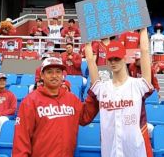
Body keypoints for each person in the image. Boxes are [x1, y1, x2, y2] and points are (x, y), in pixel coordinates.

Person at [85, 28, 154, 157]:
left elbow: (144, 51)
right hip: (110, 152)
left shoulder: (138, 85)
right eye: (110, 59)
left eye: (117, 58)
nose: (113, 62)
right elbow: (90, 60)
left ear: (124, 58)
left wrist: (143, 28)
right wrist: (87, 40)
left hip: (135, 151)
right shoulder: (102, 88)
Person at [12, 57, 99, 157]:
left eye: (58, 72)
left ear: (62, 75)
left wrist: (94, 94)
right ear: (42, 75)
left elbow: (84, 117)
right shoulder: (30, 101)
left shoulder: (71, 98)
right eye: (49, 72)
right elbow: (21, 139)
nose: (54, 76)